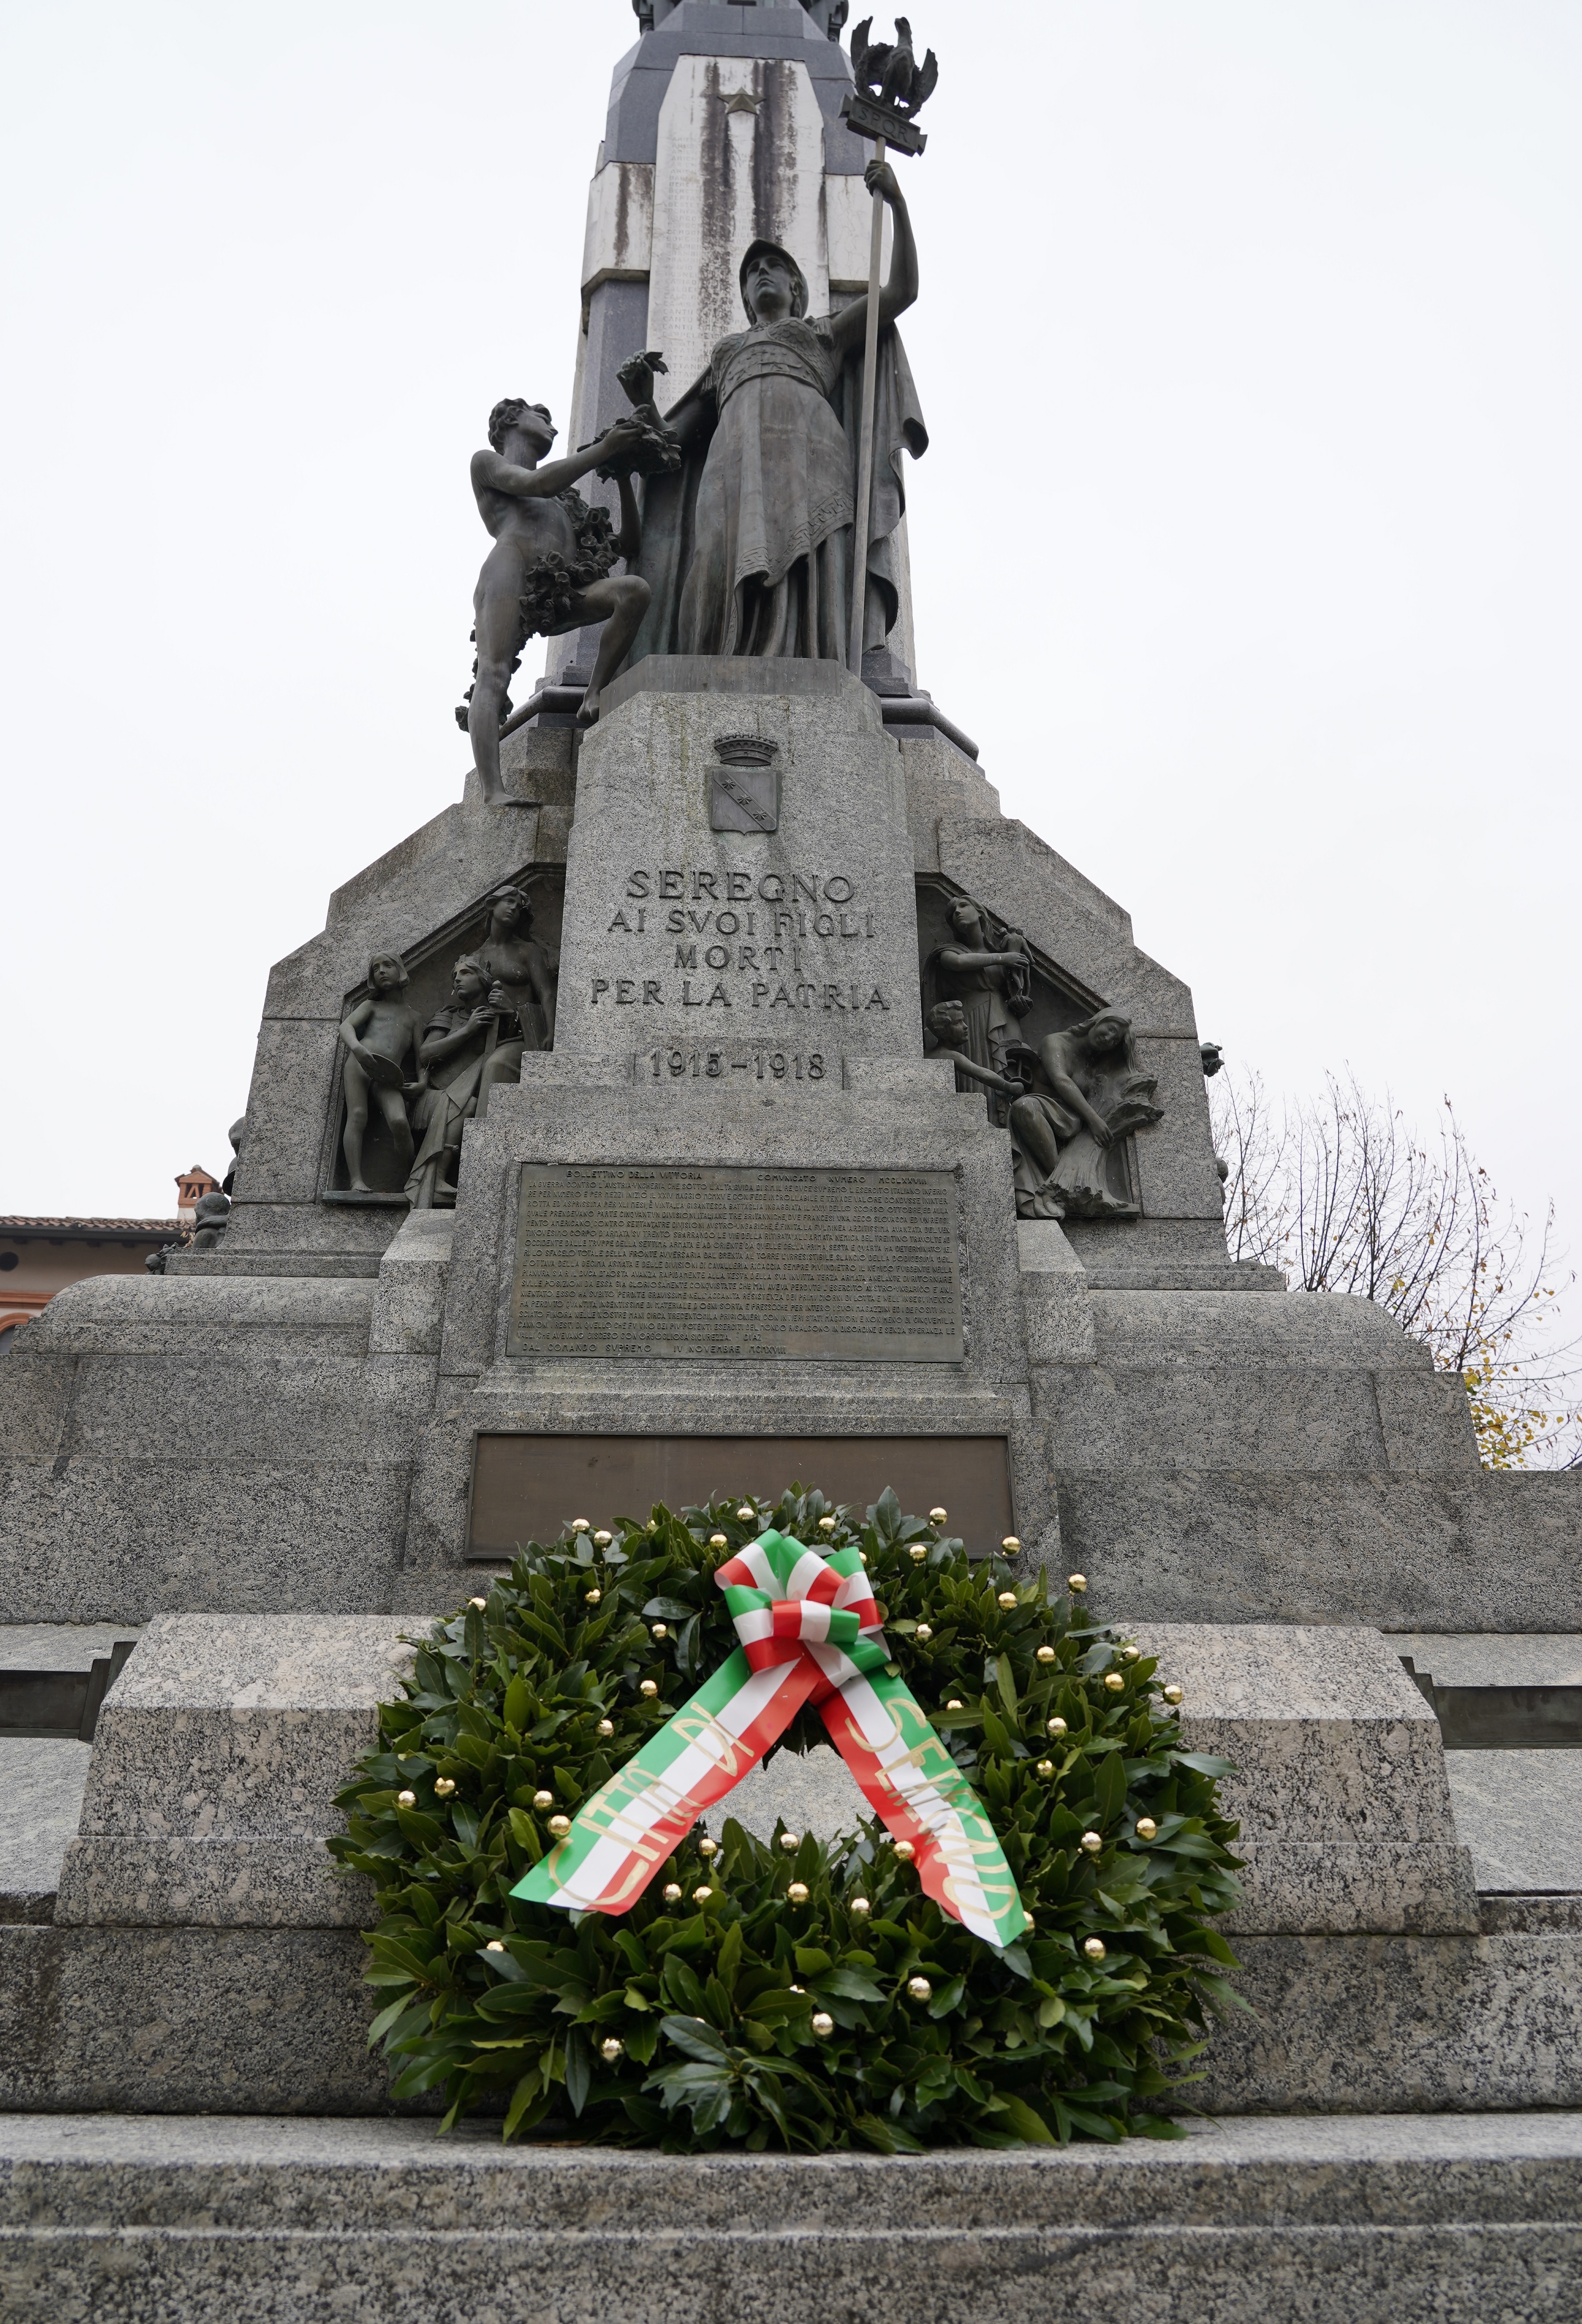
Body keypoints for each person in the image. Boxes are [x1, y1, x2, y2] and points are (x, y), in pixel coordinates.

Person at [623, 158, 925, 664]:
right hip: (731, 469)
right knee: (713, 562)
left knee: (808, 569)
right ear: (744, 297)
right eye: (752, 273)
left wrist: (897, 202)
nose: (762, 273)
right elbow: (670, 445)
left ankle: (811, 668)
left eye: (773, 268)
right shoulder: (725, 354)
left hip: (811, 462)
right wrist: (642, 401)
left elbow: (902, 292)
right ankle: (713, 670)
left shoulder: (821, 332)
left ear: (796, 290)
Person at [465, 400, 650, 801]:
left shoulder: (566, 501)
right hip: (508, 574)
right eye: (542, 418)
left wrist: (620, 476)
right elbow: (535, 484)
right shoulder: (487, 464)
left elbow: (629, 544)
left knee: (632, 591)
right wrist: (604, 450)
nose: (552, 427)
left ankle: (594, 693)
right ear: (512, 420)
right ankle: (493, 791)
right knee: (493, 675)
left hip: (562, 588)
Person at [1005, 1012, 1163, 1222]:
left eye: (1115, 1041)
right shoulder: (1055, 1042)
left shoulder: (1094, 1063)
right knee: (1024, 1107)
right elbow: (1062, 1080)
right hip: (1044, 1112)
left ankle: (1067, 1184)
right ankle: (1059, 1182)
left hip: (1074, 1124)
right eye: (1111, 1030)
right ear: (1098, 1021)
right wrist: (1094, 1121)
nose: (1108, 1039)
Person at [404, 959, 507, 1209]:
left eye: (466, 973)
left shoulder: (501, 1017)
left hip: (470, 1097)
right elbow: (426, 1055)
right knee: (466, 1104)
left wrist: (510, 1011)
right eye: (455, 975)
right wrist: (468, 1030)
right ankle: (436, 1177)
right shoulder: (449, 1015)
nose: (458, 979)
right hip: (436, 1095)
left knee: (471, 1103)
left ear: (483, 979)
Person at [337, 954, 424, 1194]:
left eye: (388, 966)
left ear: (401, 971)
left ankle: (413, 1180)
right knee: (357, 1115)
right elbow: (346, 1027)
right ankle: (356, 1180)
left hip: (388, 1074)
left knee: (399, 1121)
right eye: (376, 969)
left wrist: (423, 1083)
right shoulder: (371, 1006)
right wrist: (358, 1049)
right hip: (360, 1064)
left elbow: (422, 1058)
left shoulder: (414, 1018)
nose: (382, 971)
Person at [471, 885, 558, 1117]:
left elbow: (547, 994)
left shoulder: (527, 952)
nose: (513, 908)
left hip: (521, 1036)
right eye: (508, 901)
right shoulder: (476, 957)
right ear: (492, 905)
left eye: (518, 907)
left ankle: (483, 1142)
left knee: (496, 1066)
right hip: (484, 1037)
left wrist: (550, 1033)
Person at [931, 897, 1033, 1092]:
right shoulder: (949, 950)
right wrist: (1003, 958)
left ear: (980, 912)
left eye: (963, 906)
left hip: (1003, 1019)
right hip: (970, 1019)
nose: (958, 913)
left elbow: (1012, 989)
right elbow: (958, 963)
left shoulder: (998, 949)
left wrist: (1018, 1003)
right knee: (978, 1074)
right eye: (953, 912)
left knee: (1010, 1069)